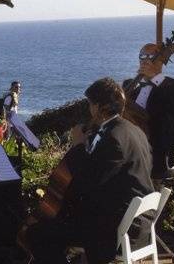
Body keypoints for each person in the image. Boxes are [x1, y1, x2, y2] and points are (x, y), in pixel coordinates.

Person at [24, 78, 154, 264]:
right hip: (136, 221)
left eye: (90, 104)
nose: (89, 109)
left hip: (113, 228)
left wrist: (78, 146)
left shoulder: (113, 139)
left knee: (36, 234)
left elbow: (89, 185)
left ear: (98, 107)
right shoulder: (134, 130)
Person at [126, 43, 174, 180]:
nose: (146, 60)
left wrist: (153, 76)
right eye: (142, 56)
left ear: (161, 59)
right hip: (130, 155)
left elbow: (172, 115)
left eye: (151, 56)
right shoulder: (130, 86)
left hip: (156, 159)